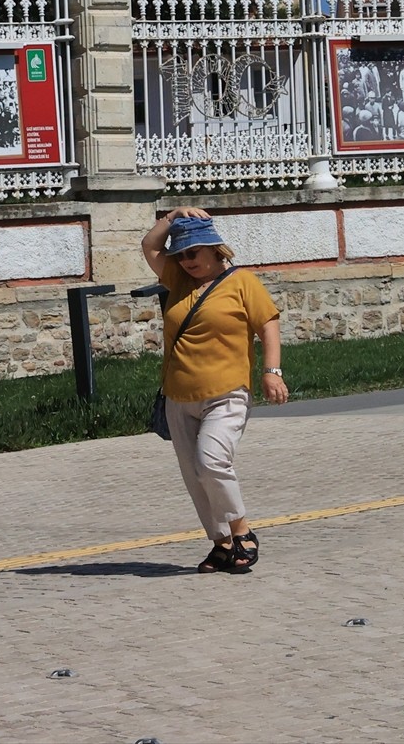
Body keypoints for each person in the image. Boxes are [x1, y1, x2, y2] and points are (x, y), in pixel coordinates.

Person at [141, 208, 289, 574]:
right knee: (194, 475)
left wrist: (272, 372)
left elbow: (268, 326)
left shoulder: (242, 283)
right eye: (181, 253)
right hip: (179, 395)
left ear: (214, 249)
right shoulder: (177, 279)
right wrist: (172, 217)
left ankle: (241, 530)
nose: (186, 260)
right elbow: (149, 245)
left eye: (194, 252)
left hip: (227, 392)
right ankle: (221, 545)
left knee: (212, 461)